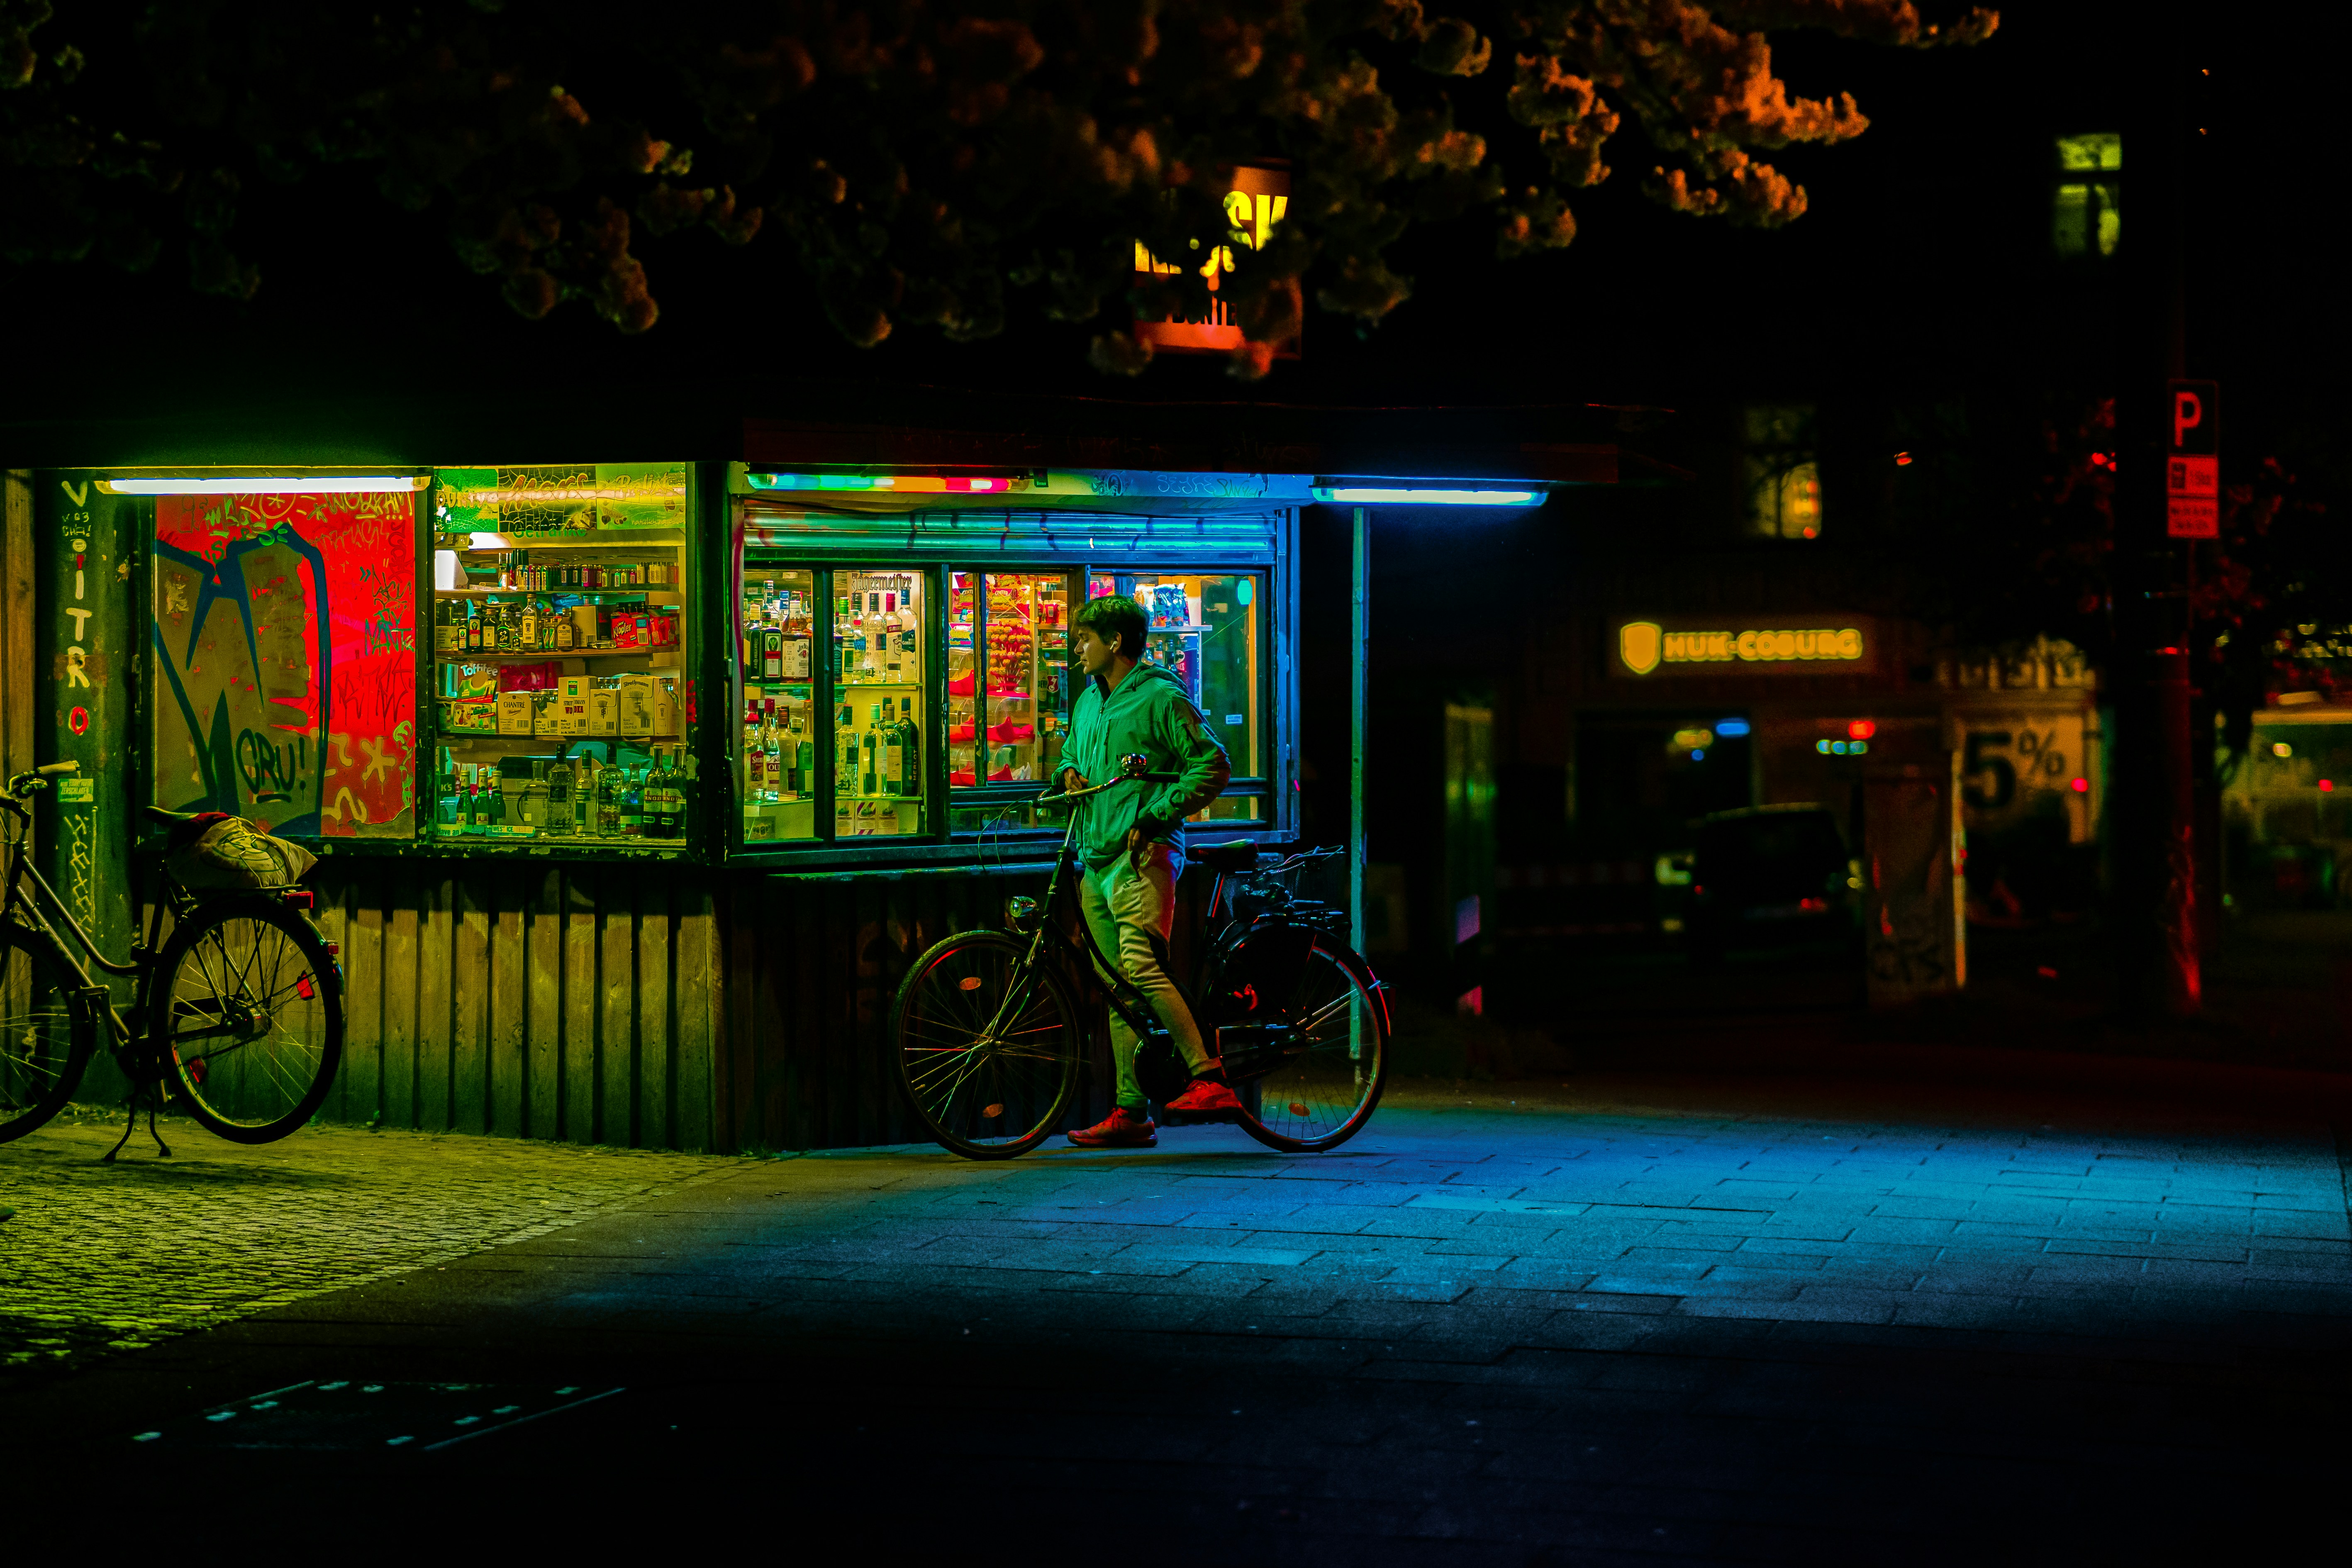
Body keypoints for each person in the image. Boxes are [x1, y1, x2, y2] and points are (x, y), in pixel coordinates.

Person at [1057, 592, 1236, 1148]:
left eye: (1083, 639)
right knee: (1118, 988)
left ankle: (1208, 1076)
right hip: (1096, 854)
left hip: (1143, 854)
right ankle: (1131, 1113)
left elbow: (1212, 764)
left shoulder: (1160, 697)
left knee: (1140, 967)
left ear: (1114, 643)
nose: (1075, 649)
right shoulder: (1090, 700)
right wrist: (1067, 770)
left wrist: (1157, 815)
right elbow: (1073, 751)